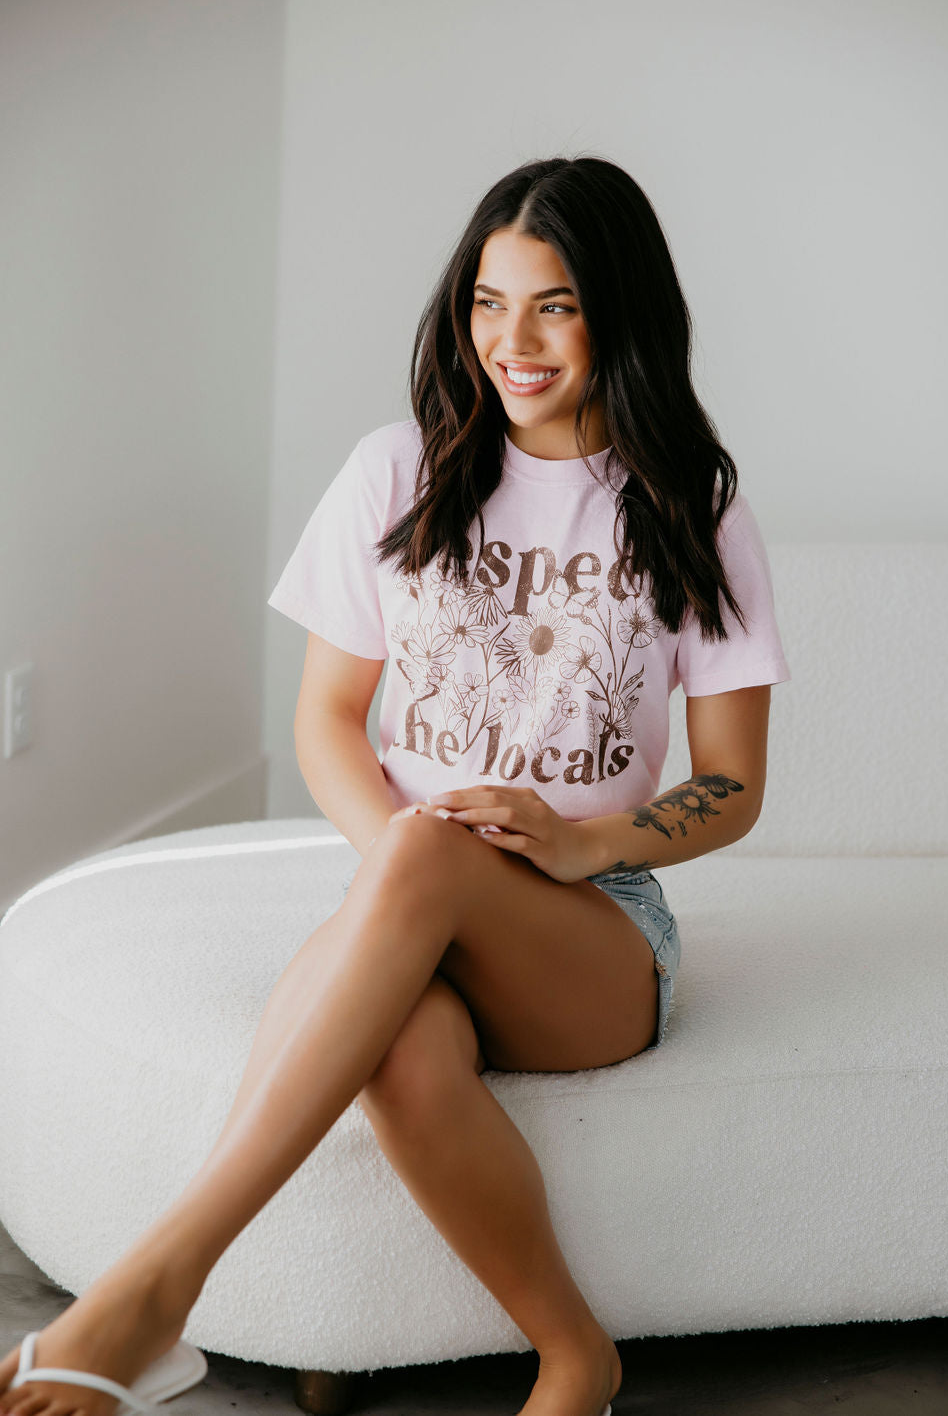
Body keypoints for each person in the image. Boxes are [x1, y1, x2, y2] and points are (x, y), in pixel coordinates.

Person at [0, 156, 791, 1416]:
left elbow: (735, 785)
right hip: (412, 891)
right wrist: (412, 875)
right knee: (406, 1045)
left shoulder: (690, 506)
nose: (512, 342)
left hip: (592, 934)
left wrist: (583, 844)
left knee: (426, 854)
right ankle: (575, 1355)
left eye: (554, 306)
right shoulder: (398, 470)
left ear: (622, 313)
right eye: (488, 302)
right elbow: (326, 718)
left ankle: (151, 1293)